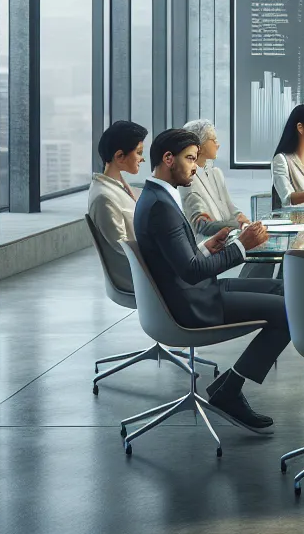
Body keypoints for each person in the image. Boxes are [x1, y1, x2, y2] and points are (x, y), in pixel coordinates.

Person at [132, 128, 285, 431]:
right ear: (167, 159)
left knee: (283, 289)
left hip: (195, 290)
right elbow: (190, 271)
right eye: (190, 158)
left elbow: (176, 261)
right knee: (286, 312)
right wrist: (243, 245)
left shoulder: (155, 197)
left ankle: (229, 385)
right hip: (193, 303)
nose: (195, 166)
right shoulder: (161, 206)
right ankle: (230, 389)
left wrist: (205, 247)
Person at [87, 120, 153, 292]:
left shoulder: (118, 187)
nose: (142, 158)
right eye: (138, 153)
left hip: (145, 265)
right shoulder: (104, 197)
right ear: (119, 156)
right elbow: (123, 246)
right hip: (138, 275)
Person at [181, 118, 249, 238]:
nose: (217, 145)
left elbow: (231, 208)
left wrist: (242, 219)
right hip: (210, 245)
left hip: (230, 237)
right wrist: (236, 224)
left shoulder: (216, 173)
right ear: (199, 146)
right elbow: (201, 225)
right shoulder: (187, 179)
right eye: (213, 140)